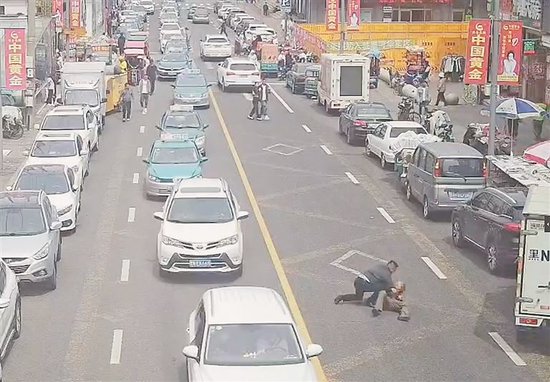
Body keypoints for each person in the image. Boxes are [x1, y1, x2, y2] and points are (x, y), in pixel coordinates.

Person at [334, 260, 398, 306]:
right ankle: (371, 301)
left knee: (358, 297)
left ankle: (341, 297)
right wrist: (395, 292)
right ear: (392, 268)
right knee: (384, 286)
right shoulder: (386, 273)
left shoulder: (380, 266)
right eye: (394, 269)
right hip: (364, 284)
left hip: (358, 281)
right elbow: (390, 285)